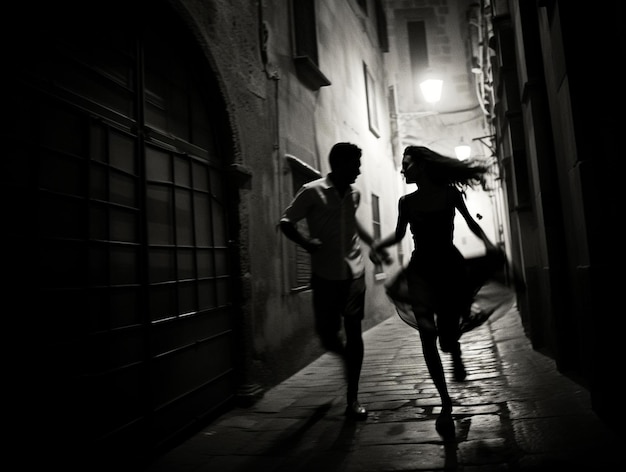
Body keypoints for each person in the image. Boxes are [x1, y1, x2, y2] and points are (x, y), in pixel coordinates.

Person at [370, 145, 499, 438]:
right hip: (420, 272)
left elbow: (469, 222)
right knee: (428, 336)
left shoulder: (450, 194)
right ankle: (445, 402)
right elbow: (401, 234)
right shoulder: (406, 202)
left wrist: (489, 245)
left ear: (422, 166)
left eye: (407, 164)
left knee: (446, 339)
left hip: (450, 269)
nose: (403, 170)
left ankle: (455, 353)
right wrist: (380, 246)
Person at [279, 142, 381, 421]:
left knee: (354, 333)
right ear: (339, 164)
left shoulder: (355, 194)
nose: (359, 171)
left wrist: (372, 244)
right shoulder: (312, 191)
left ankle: (353, 399)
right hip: (324, 276)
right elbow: (286, 222)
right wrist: (307, 242)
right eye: (355, 165)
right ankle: (347, 361)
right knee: (327, 336)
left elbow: (352, 224)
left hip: (353, 275)